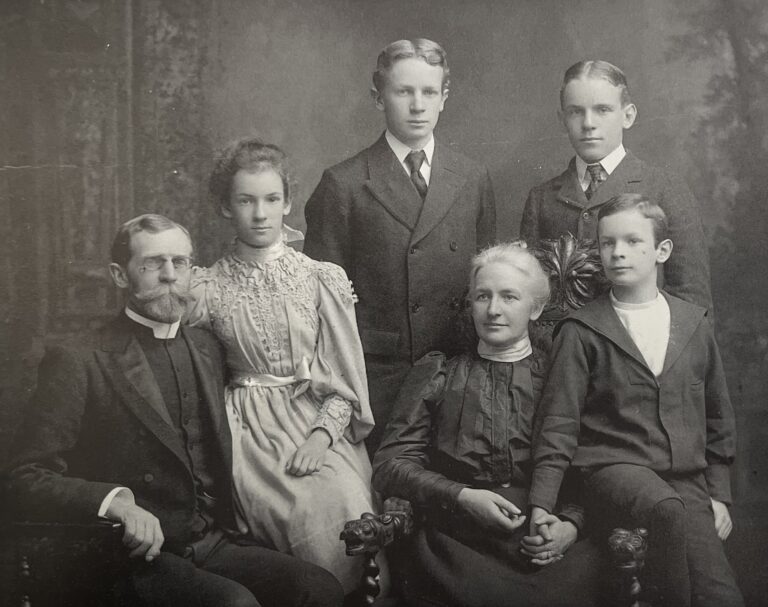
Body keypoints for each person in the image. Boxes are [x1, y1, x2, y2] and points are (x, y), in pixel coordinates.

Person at [6, 214, 343, 607]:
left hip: (210, 542)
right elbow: (24, 476)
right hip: (127, 554)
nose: (170, 275)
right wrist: (115, 502)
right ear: (119, 275)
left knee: (318, 588)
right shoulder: (80, 359)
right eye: (153, 264)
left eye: (180, 263)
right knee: (234, 604)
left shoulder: (207, 347)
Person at [187, 138, 384, 595]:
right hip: (245, 432)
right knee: (294, 514)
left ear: (288, 203)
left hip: (316, 418)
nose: (260, 214)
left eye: (271, 199)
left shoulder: (320, 278)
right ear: (226, 207)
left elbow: (345, 379)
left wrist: (320, 438)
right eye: (246, 201)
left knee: (344, 502)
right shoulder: (206, 288)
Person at [529, 194, 743, 607]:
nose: (618, 252)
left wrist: (717, 495)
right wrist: (542, 504)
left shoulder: (692, 323)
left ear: (662, 250)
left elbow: (717, 416)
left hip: (683, 479)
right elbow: (558, 423)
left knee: (721, 595)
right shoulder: (582, 330)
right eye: (607, 243)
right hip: (612, 470)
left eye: (632, 241)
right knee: (665, 509)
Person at [372, 242, 604, 607]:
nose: (493, 310)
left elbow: (597, 464)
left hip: (546, 531)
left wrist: (571, 525)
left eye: (509, 297)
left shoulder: (562, 378)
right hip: (458, 538)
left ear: (535, 308)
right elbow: (390, 465)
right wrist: (462, 496)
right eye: (483, 296)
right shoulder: (440, 373)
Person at [303, 38, 496, 452]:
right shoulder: (344, 183)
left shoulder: (472, 177)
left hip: (458, 371)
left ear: (444, 97)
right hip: (380, 377)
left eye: (429, 92)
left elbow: (488, 284)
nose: (418, 105)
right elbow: (320, 306)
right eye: (403, 91)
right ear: (378, 97)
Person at [520, 60, 712, 311]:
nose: (588, 123)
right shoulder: (542, 199)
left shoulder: (664, 189)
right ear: (562, 119)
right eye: (576, 111)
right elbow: (530, 297)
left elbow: (692, 300)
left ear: (628, 116)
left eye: (602, 110)